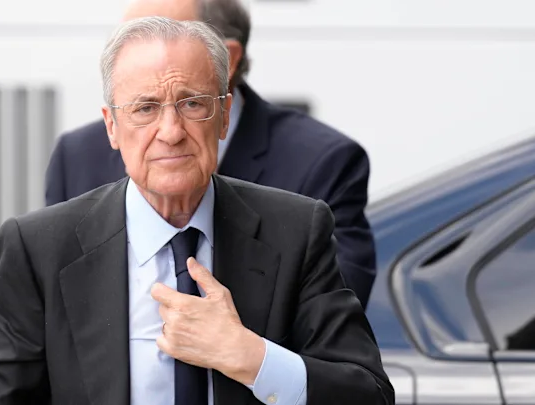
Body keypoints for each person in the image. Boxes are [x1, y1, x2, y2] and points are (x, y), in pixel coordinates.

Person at [0, 17, 393, 405]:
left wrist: (250, 356)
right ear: (111, 126)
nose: (171, 132)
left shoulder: (296, 231)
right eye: (145, 108)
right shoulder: (39, 249)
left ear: (224, 116)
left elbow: (369, 395)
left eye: (193, 104)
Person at [44, 0, 378, 308]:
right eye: (128, 39)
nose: (170, 133)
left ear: (229, 59)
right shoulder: (78, 157)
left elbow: (335, 321)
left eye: (163, 37)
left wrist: (240, 345)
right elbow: (56, 311)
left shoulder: (322, 162)